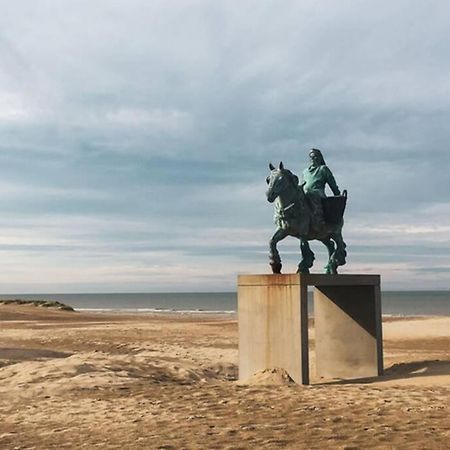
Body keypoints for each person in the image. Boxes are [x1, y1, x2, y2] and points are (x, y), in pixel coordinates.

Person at [302, 148, 340, 228]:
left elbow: (332, 183)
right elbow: (302, 184)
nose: (313, 158)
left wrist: (337, 193)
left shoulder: (323, 169)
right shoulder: (305, 172)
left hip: (318, 192)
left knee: (310, 193)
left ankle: (318, 219)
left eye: (315, 156)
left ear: (319, 158)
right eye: (311, 157)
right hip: (305, 192)